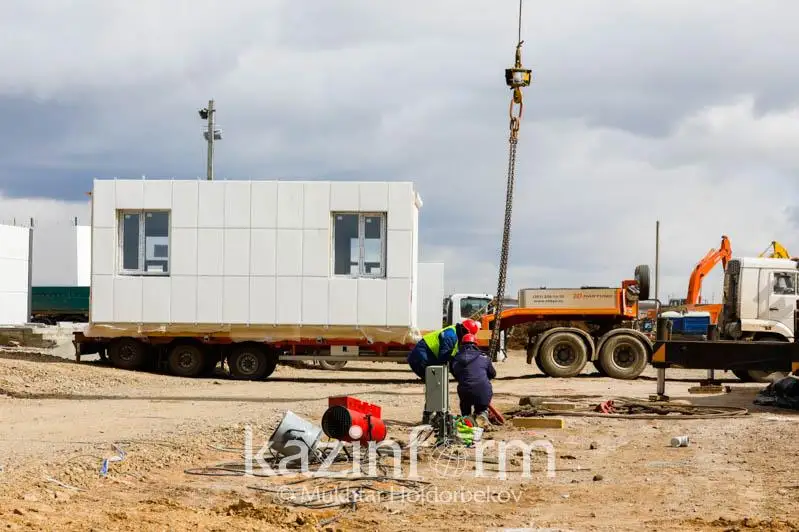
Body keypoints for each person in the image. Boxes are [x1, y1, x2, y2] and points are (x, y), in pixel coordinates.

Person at [407, 319, 480, 423]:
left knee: (437, 384)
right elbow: (444, 357)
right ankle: (433, 415)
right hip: (420, 358)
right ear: (465, 331)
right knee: (436, 384)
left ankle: (436, 414)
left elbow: (449, 359)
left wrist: (459, 375)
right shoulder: (451, 336)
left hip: (428, 357)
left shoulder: (455, 335)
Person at [449, 333, 496, 427]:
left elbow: (456, 374)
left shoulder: (455, 359)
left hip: (465, 390)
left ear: (461, 345)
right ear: (476, 345)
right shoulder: (484, 357)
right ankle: (481, 414)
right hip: (483, 390)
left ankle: (467, 418)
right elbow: (493, 374)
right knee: (481, 405)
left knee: (465, 406)